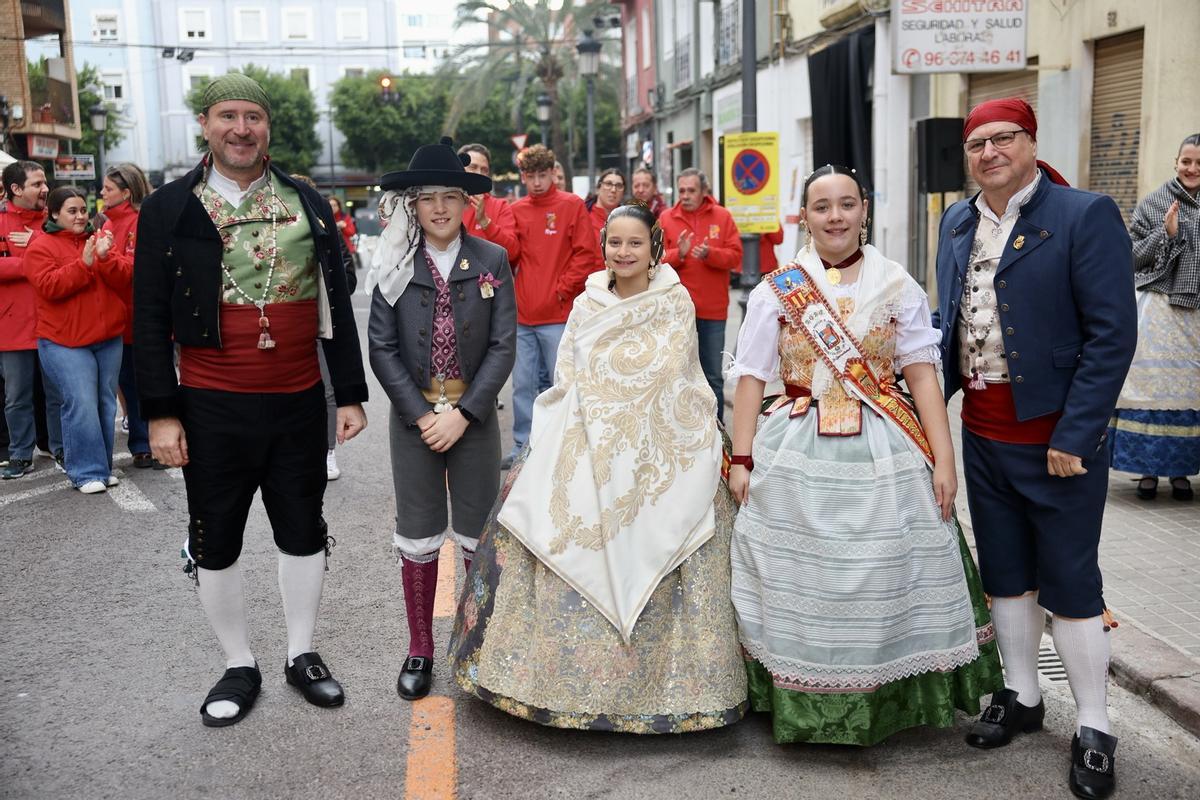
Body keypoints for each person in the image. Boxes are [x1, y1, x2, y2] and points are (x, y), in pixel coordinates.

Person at [727, 165, 1002, 747]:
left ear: (865, 211)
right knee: (795, 576)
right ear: (804, 216)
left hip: (884, 448)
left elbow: (923, 378)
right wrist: (741, 456)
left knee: (885, 569)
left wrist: (944, 462)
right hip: (795, 442)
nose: (835, 217)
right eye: (822, 206)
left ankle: (882, 693)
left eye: (846, 205)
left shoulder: (897, 283)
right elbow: (751, 376)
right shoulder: (777, 287)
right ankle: (796, 692)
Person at [449, 201, 747, 732]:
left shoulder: (674, 299)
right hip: (587, 424)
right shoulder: (588, 301)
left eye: (635, 243)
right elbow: (569, 368)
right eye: (615, 243)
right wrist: (592, 414)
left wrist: (623, 412)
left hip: (658, 428)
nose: (624, 252)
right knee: (545, 509)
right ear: (604, 245)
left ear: (653, 246)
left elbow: (674, 368)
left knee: (679, 507)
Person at [133, 73, 369, 727]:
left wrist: (347, 393)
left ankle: (302, 653)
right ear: (205, 125)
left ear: (268, 127)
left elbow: (336, 303)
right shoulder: (168, 208)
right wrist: (159, 411)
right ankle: (238, 663)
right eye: (228, 115)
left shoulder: (307, 201)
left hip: (298, 401)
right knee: (217, 540)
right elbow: (149, 317)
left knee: (303, 531)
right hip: (210, 405)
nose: (242, 128)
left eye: (254, 117)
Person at [934, 98, 1136, 799]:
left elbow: (1112, 335)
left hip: (1057, 441)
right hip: (984, 437)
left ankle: (1096, 726)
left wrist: (1077, 434)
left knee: (1072, 585)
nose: (989, 153)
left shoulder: (1084, 215)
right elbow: (947, 325)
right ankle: (1021, 696)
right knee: (1006, 574)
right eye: (977, 143)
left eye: (1003, 139)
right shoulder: (956, 220)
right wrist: (917, 414)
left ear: (1030, 141)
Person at [365, 136, 516, 701]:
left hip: (473, 420)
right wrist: (423, 414)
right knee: (419, 534)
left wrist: (467, 412)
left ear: (466, 202)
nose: (440, 208)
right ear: (413, 204)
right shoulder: (395, 261)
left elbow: (504, 345)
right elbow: (381, 347)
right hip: (415, 421)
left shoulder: (491, 260)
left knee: (477, 534)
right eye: (427, 197)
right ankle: (420, 647)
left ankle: (473, 643)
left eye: (451, 196)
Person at [1110, 133, 1200, 501]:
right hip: (1158, 309)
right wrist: (1166, 233)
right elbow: (1130, 257)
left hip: (1195, 317)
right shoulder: (1154, 202)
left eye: (1199, 164)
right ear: (1175, 162)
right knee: (1151, 390)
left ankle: (1180, 473)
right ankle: (1147, 471)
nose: (1192, 169)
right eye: (1186, 161)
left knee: (1190, 392)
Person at [24, 187, 127, 493]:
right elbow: (50, 286)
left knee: (105, 404)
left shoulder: (97, 239)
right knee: (81, 403)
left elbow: (124, 279)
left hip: (108, 337)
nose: (81, 216)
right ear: (54, 214)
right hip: (63, 341)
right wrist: (84, 264)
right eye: (72, 211)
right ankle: (85, 472)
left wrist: (105, 258)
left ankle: (101, 467)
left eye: (83, 209)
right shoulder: (40, 247)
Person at [503, 144, 598, 469]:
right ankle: (521, 446)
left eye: (543, 175)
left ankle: (563, 444)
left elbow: (587, 254)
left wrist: (561, 289)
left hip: (558, 315)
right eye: (531, 176)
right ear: (523, 177)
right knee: (522, 385)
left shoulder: (571, 205)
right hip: (523, 315)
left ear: (552, 173)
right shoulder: (517, 209)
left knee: (563, 383)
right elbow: (511, 255)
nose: (538, 182)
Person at [659, 168, 743, 423]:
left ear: (704, 191)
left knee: (712, 376)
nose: (685, 195)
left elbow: (736, 257)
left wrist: (710, 255)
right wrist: (679, 254)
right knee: (676, 373)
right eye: (681, 190)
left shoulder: (723, 216)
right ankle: (680, 428)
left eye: (691, 190)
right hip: (677, 312)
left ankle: (715, 431)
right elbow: (654, 261)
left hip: (713, 310)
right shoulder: (666, 218)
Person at [1, 160, 64, 479]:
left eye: (44, 183)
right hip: (11, 326)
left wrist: (29, 252)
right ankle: (20, 454)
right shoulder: (1, 221)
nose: (45, 189)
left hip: (53, 321)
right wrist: (36, 256)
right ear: (15, 189)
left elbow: (68, 258)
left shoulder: (53, 219)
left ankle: (61, 448)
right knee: (16, 396)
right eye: (37, 184)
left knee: (57, 393)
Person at [99, 163, 156, 469]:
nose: (102, 193)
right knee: (128, 384)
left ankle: (146, 442)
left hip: (138, 315)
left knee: (141, 382)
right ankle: (140, 442)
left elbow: (130, 272)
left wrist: (106, 258)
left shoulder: (139, 221)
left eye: (107, 189)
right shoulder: (107, 223)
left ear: (126, 192)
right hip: (116, 316)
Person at [458, 143, 521, 266]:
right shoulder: (447, 203)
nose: (479, 173)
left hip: (488, 282)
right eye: (473, 167)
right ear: (459, 169)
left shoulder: (500, 206)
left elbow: (512, 253)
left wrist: (485, 222)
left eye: (484, 169)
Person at [586, 168, 625, 247]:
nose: (613, 190)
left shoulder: (629, 220)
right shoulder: (584, 214)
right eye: (608, 184)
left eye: (619, 186)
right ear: (598, 189)